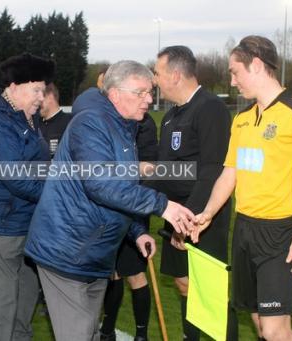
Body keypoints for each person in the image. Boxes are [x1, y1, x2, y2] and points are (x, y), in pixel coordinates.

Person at [24, 60, 195, 341]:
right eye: (140, 92)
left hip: (95, 253)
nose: (150, 99)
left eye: (150, 92)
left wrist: (137, 232)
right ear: (115, 94)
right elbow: (101, 185)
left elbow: (119, 191)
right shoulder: (91, 124)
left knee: (89, 333)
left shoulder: (124, 127)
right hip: (67, 251)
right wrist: (163, 205)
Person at [193, 35, 292, 341]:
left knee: (275, 331)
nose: (232, 81)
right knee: (261, 325)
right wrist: (207, 212)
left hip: (281, 233)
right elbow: (229, 174)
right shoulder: (242, 119)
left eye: (235, 71)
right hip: (244, 230)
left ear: (256, 65)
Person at [153, 45, 238, 341]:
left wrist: (188, 222)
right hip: (176, 215)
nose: (155, 80)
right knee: (184, 283)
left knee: (210, 291)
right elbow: (167, 171)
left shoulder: (210, 107)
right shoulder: (169, 117)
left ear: (175, 75)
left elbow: (212, 170)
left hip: (202, 218)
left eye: (158, 73)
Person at [0, 53, 54, 341]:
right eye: (36, 90)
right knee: (5, 307)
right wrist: (56, 194)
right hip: (1, 228)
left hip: (29, 224)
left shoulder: (26, 117)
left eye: (42, 91)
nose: (41, 98)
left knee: (25, 303)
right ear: (14, 86)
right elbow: (17, 178)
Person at [99, 74, 157, 341]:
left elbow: (149, 167)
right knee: (112, 274)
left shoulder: (143, 125)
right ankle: (108, 330)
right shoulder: (105, 124)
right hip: (110, 209)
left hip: (134, 205)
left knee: (135, 274)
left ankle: (141, 334)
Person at [38, 83, 72, 158]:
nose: (37, 103)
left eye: (39, 98)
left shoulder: (70, 123)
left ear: (50, 97)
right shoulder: (35, 124)